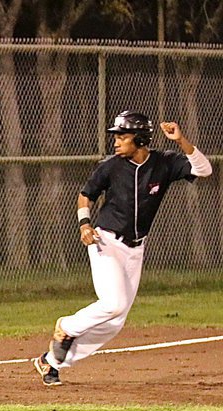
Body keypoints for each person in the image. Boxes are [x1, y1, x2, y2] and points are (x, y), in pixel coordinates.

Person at [34, 111, 212, 386]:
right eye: (115, 136)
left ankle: (51, 361)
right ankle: (66, 326)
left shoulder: (164, 163)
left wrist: (181, 141)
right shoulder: (111, 166)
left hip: (135, 249)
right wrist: (84, 225)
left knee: (114, 323)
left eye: (122, 136)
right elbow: (86, 195)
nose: (115, 142)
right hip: (105, 241)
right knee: (113, 304)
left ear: (140, 139)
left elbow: (204, 170)